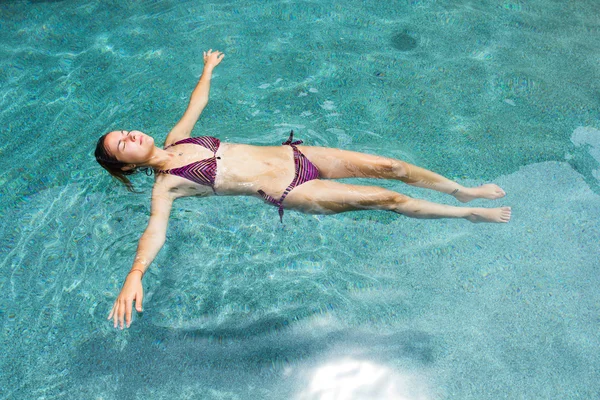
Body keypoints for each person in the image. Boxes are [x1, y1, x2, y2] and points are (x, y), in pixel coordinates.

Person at [95, 49, 511, 329]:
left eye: (126, 131)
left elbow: (196, 104)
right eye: (123, 144)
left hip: (296, 154)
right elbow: (155, 232)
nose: (131, 135)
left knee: (392, 166)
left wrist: (207, 70)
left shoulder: (178, 139)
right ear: (127, 164)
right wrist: (135, 275)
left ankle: (460, 191)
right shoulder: (166, 188)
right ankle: (468, 213)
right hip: (292, 190)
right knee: (388, 198)